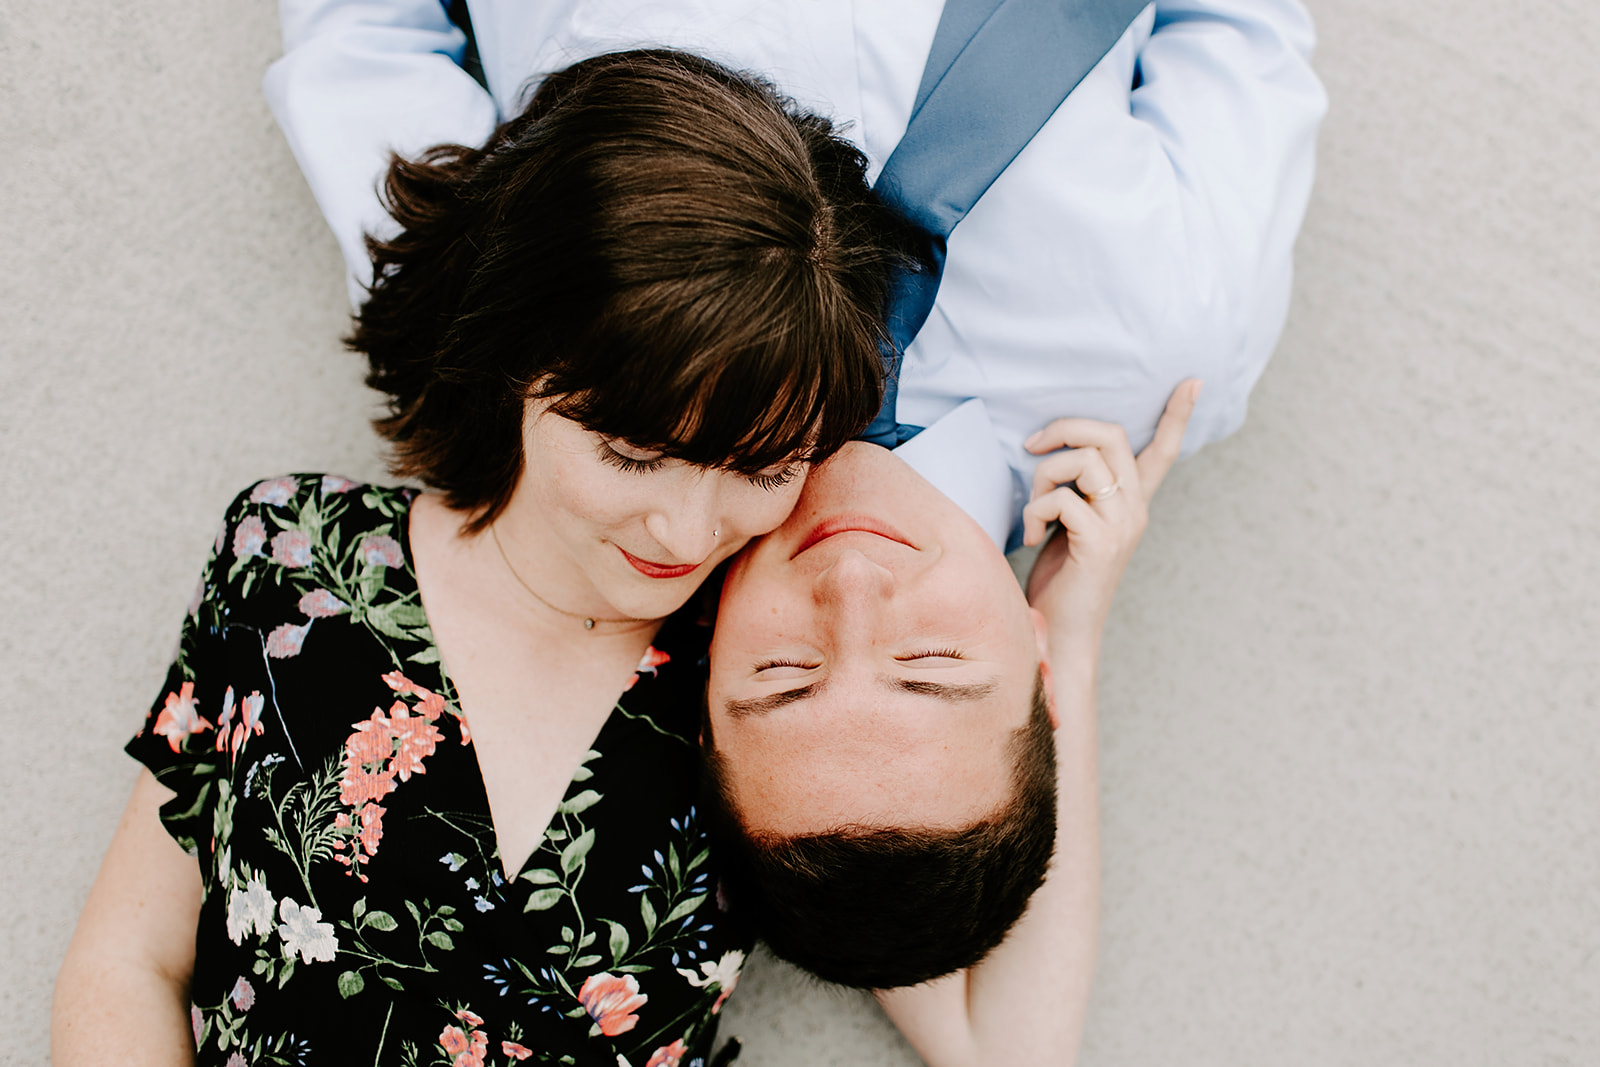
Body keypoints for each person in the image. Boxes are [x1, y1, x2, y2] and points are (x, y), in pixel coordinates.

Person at [51, 50, 916, 1066]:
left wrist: (1066, 630)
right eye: (631, 451)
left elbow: (999, 1035)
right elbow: (127, 960)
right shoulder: (292, 563)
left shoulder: (769, 676)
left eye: (763, 466)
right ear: (518, 354)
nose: (685, 534)